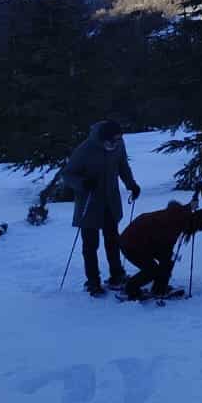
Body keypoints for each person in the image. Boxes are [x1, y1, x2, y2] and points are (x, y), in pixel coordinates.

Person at [61, 119, 140, 295]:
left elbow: (122, 166)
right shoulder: (85, 149)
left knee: (113, 240)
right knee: (90, 245)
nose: (116, 143)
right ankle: (93, 281)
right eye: (112, 141)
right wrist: (82, 183)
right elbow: (67, 175)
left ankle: (117, 275)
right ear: (102, 139)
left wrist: (131, 185)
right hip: (89, 204)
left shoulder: (118, 145)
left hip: (110, 202)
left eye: (118, 139)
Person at [119, 199, 202, 299]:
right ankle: (130, 289)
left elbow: (188, 207)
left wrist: (194, 200)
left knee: (167, 260)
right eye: (197, 229)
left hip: (143, 240)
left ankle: (159, 289)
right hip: (131, 244)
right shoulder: (174, 226)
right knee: (152, 270)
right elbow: (165, 247)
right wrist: (167, 258)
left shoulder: (182, 214)